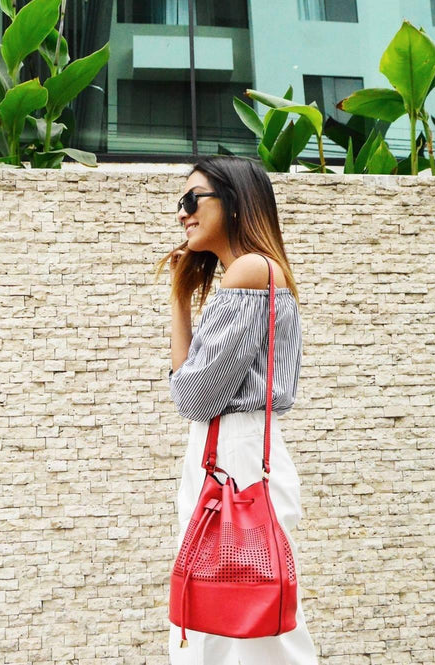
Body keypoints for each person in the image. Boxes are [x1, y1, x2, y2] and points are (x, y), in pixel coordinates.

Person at [154, 155, 319, 665]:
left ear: (234, 201)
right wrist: (181, 299)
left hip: (236, 452)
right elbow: (191, 388)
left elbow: (192, 396)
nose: (182, 213)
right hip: (226, 448)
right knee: (222, 615)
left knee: (247, 625)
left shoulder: (250, 270)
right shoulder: (248, 273)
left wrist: (188, 376)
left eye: (193, 199)